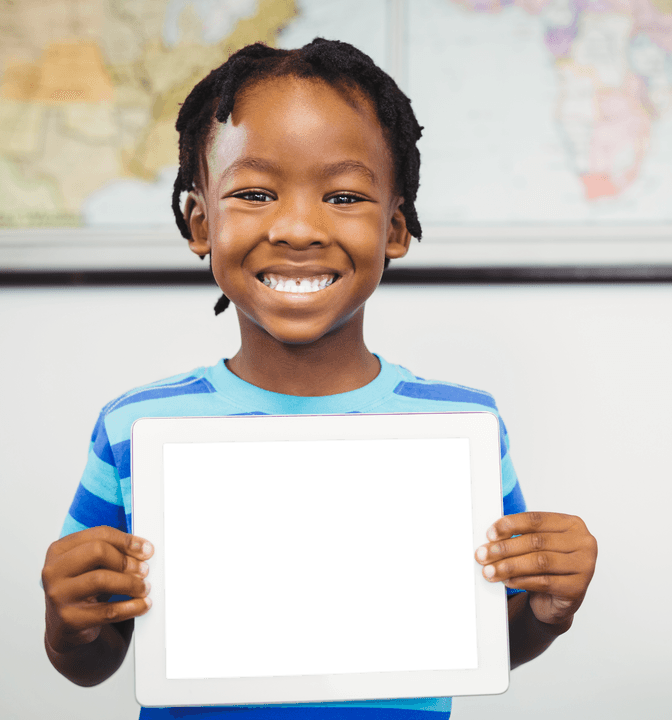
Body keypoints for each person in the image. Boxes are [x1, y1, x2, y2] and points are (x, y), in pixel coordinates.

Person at [40, 38, 597, 719]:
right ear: (199, 223)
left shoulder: (462, 427)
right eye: (254, 192)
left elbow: (483, 638)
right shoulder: (135, 426)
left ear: (395, 230)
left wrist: (548, 608)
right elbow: (95, 657)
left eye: (342, 195)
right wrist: (69, 622)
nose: (298, 228)